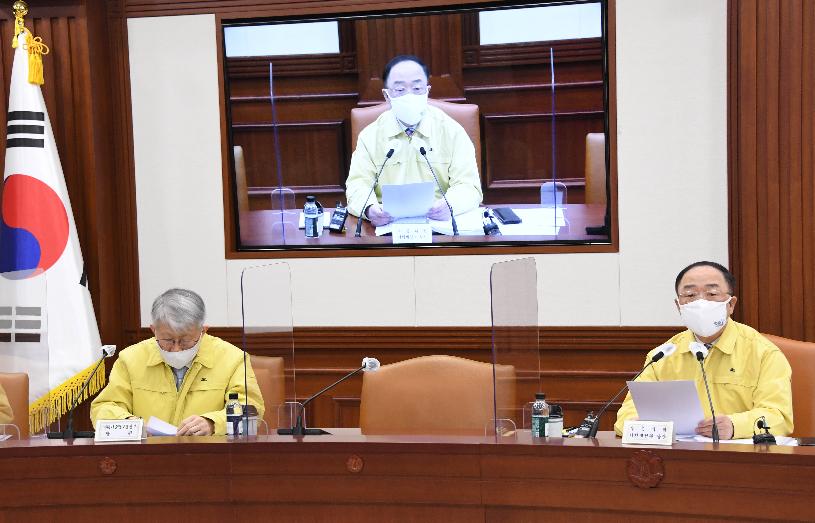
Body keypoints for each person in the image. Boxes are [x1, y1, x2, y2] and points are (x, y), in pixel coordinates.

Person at [614, 261, 793, 439]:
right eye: (690, 294)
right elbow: (627, 415)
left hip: (739, 458)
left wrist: (734, 426)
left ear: (731, 304)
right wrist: (638, 425)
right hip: (679, 457)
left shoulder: (763, 353)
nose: (700, 302)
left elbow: (779, 417)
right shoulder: (661, 356)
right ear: (679, 306)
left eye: (712, 293)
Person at [91, 288, 264, 436]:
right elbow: (104, 407)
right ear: (153, 330)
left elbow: (252, 410)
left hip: (210, 458)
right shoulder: (131, 359)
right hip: (147, 458)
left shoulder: (232, 359)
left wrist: (212, 423)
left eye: (185, 341)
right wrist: (132, 425)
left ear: (203, 331)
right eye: (167, 340)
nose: (176, 349)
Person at [345, 55, 483, 226]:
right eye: (400, 90)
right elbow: (357, 185)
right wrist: (369, 209)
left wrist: (450, 205)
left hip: (440, 226)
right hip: (387, 227)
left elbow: (469, 186)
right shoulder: (370, 136)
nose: (409, 95)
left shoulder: (452, 131)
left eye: (417, 88)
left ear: (427, 90)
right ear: (387, 95)